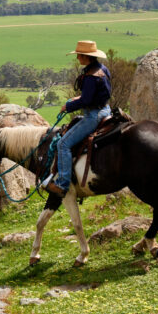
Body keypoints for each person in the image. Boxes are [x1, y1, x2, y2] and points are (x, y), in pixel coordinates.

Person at [48, 40, 112, 198]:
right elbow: (92, 95)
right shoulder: (101, 69)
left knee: (63, 144)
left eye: (79, 55)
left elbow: (86, 101)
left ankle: (62, 184)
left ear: (86, 56)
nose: (77, 58)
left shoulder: (90, 76)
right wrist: (77, 98)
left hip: (93, 116)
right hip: (105, 109)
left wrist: (67, 107)